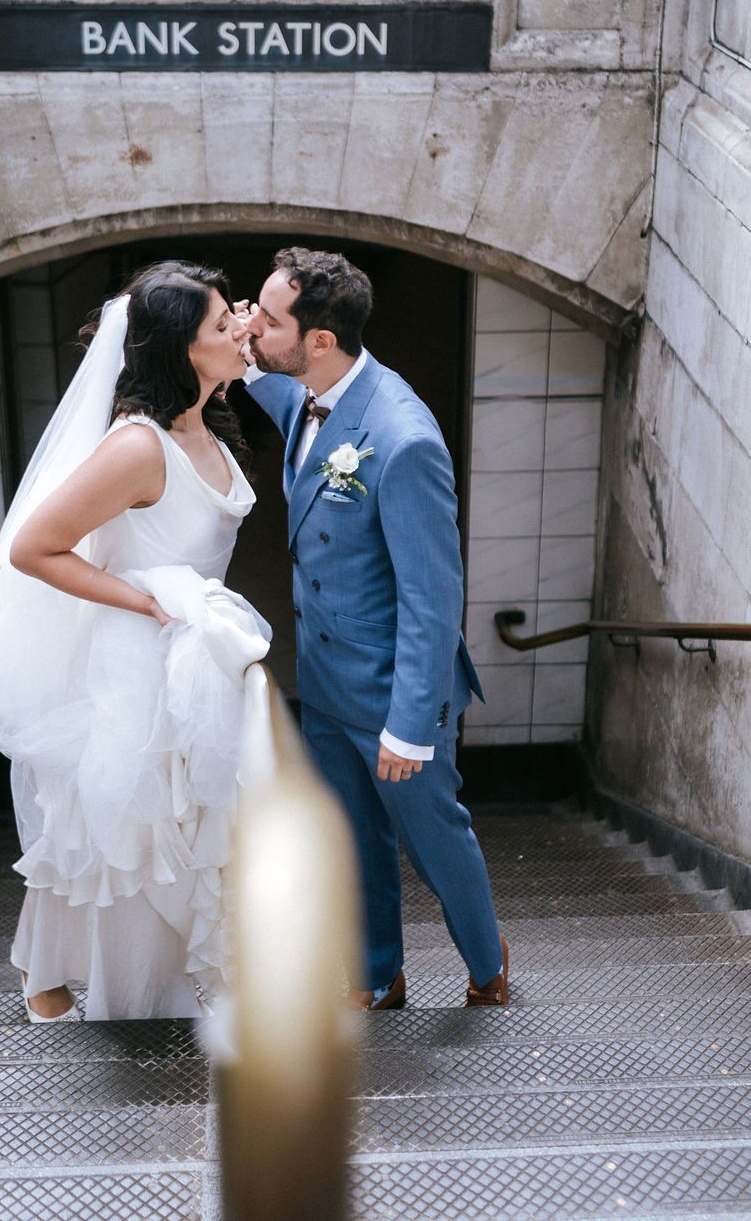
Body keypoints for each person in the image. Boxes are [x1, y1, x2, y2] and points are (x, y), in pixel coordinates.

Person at [0, 262, 269, 1022]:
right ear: (179, 350)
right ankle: (127, 998)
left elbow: (250, 363)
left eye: (238, 316)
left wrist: (245, 340)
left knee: (167, 830)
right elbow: (36, 548)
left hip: (200, 664)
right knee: (129, 836)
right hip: (140, 660)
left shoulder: (209, 417)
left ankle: (64, 978)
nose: (243, 330)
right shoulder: (137, 447)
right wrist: (146, 603)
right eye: (224, 324)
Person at [243, 246, 508, 1010]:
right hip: (325, 684)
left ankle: (487, 964)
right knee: (354, 838)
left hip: (397, 695)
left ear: (319, 340)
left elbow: (433, 598)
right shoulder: (311, 392)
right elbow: (284, 403)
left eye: (266, 317)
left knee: (432, 839)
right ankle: (376, 973)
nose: (251, 324)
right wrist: (242, 355)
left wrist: (410, 726)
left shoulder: (402, 438)